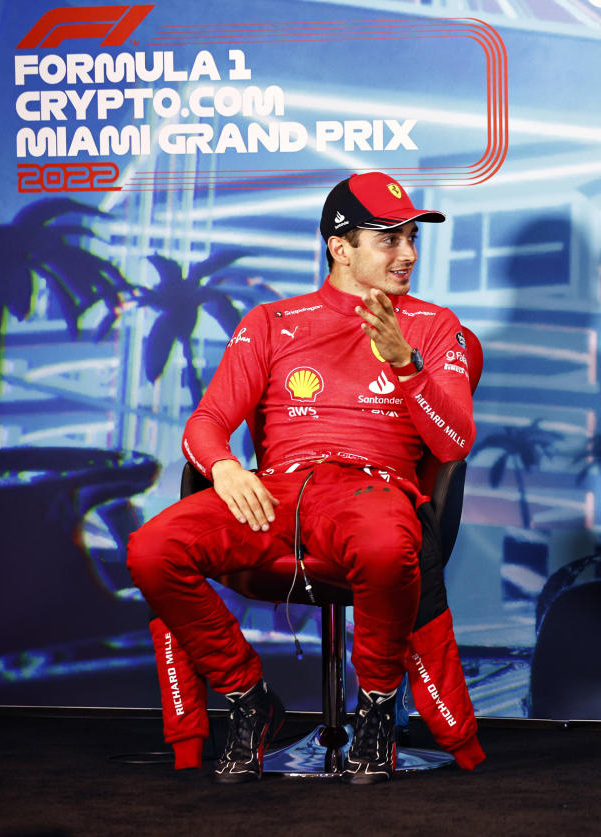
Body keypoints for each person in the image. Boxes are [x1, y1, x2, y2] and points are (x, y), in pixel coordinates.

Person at [127, 171, 483, 784]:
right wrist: (225, 466)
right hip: (277, 492)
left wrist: (406, 366)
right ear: (339, 247)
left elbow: (454, 442)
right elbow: (207, 422)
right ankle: (248, 697)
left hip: (372, 491)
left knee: (382, 546)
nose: (408, 254)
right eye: (389, 239)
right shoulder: (271, 321)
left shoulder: (431, 324)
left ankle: (374, 709)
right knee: (152, 548)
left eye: (410, 239)